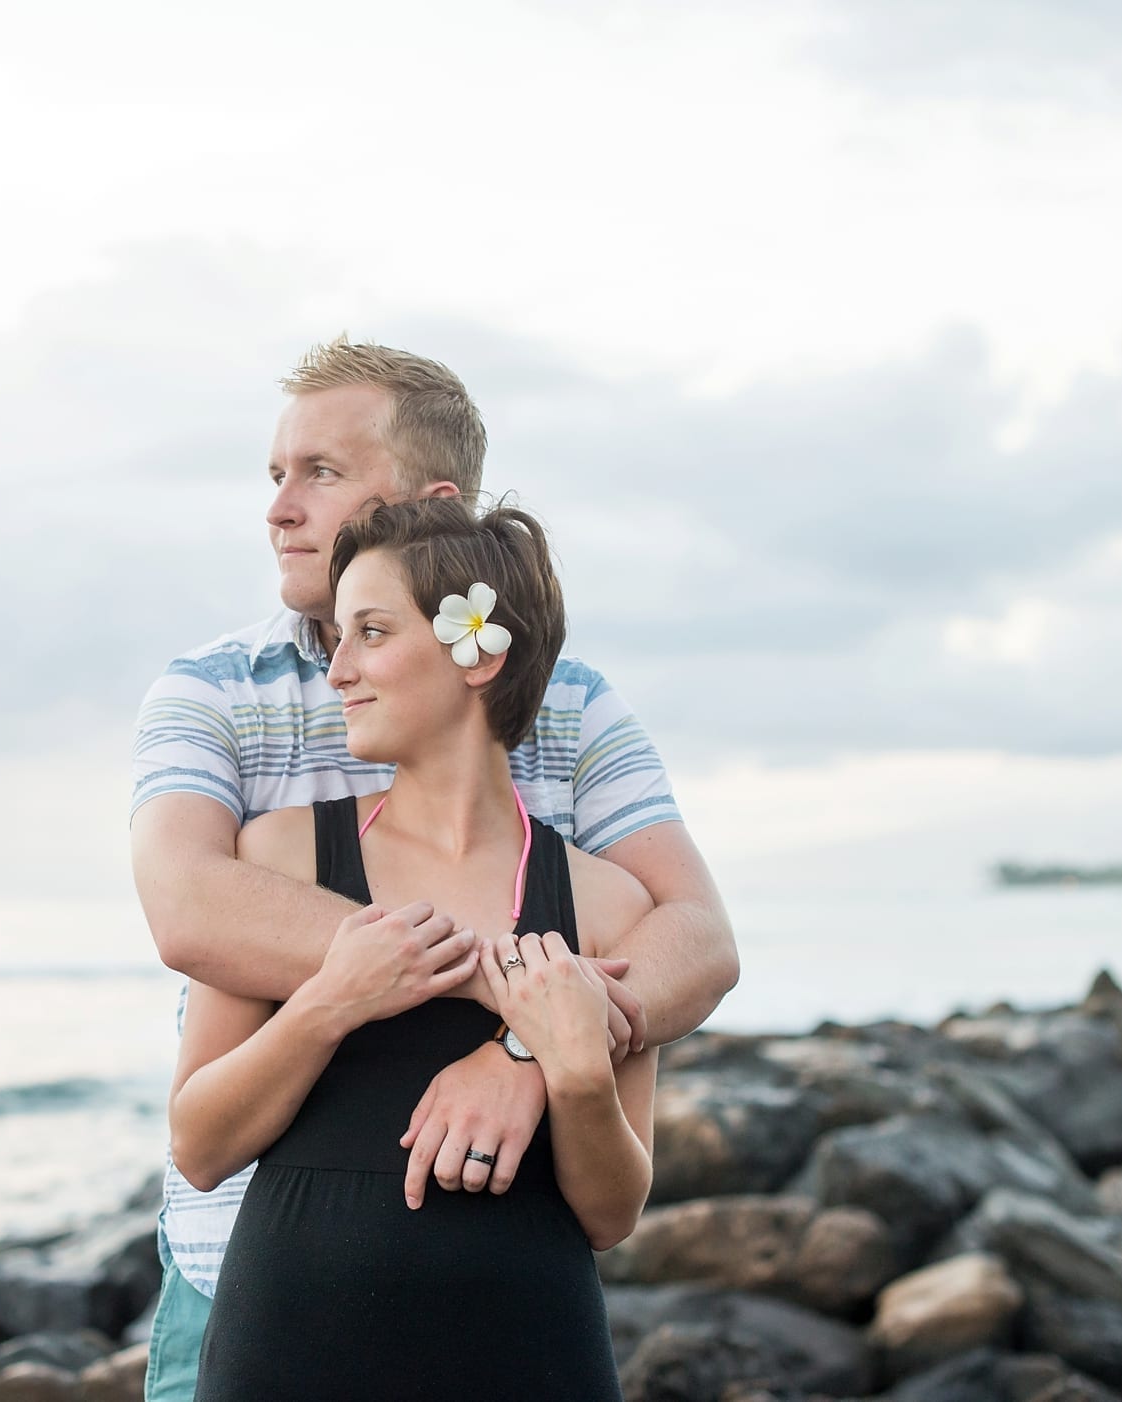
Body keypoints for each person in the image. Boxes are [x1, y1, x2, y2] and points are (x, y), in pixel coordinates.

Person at [129, 337, 738, 1402]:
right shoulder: (211, 693)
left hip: (514, 1319)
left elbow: (694, 942)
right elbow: (189, 911)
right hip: (245, 1281)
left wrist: (528, 1049)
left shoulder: (578, 710)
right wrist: (508, 985)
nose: (279, 507)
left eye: (320, 471)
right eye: (275, 475)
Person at [172, 497, 656, 1400]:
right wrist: (328, 1003)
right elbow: (198, 1146)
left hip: (528, 1357)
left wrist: (571, 1069)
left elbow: (612, 1212)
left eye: (370, 632)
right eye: (336, 638)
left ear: (480, 653)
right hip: (290, 1355)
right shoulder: (277, 857)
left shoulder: (609, 900)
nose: (338, 669)